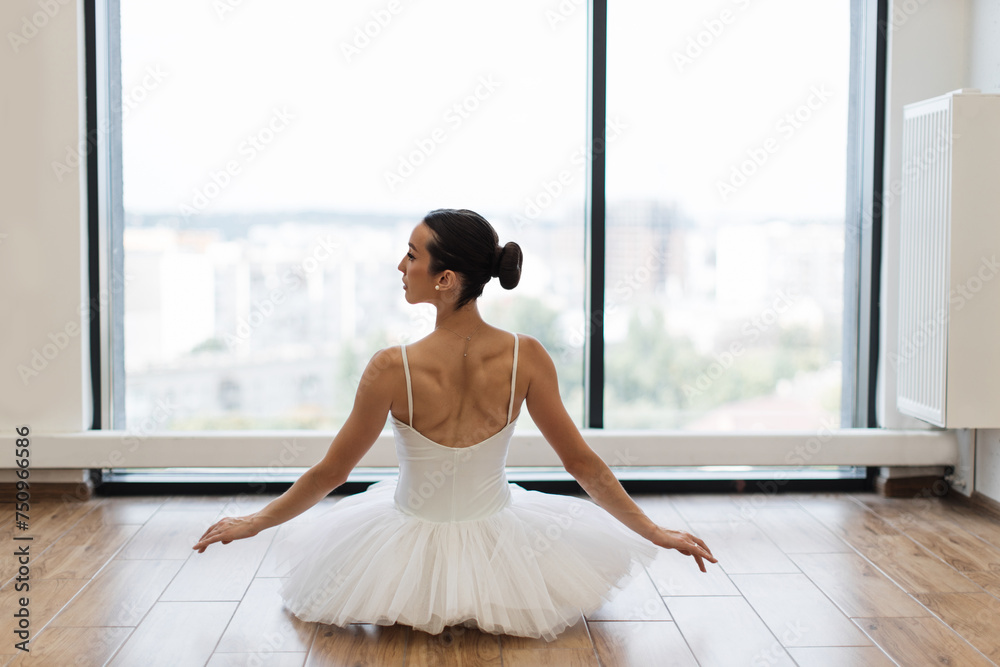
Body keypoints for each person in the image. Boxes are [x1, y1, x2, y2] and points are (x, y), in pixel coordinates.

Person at [193, 208, 717, 641]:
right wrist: (655, 531)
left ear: (444, 279)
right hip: (507, 547)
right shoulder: (526, 356)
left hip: (401, 549)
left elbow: (333, 472)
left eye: (412, 255)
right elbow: (581, 463)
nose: (401, 265)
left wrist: (255, 522)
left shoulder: (389, 367)